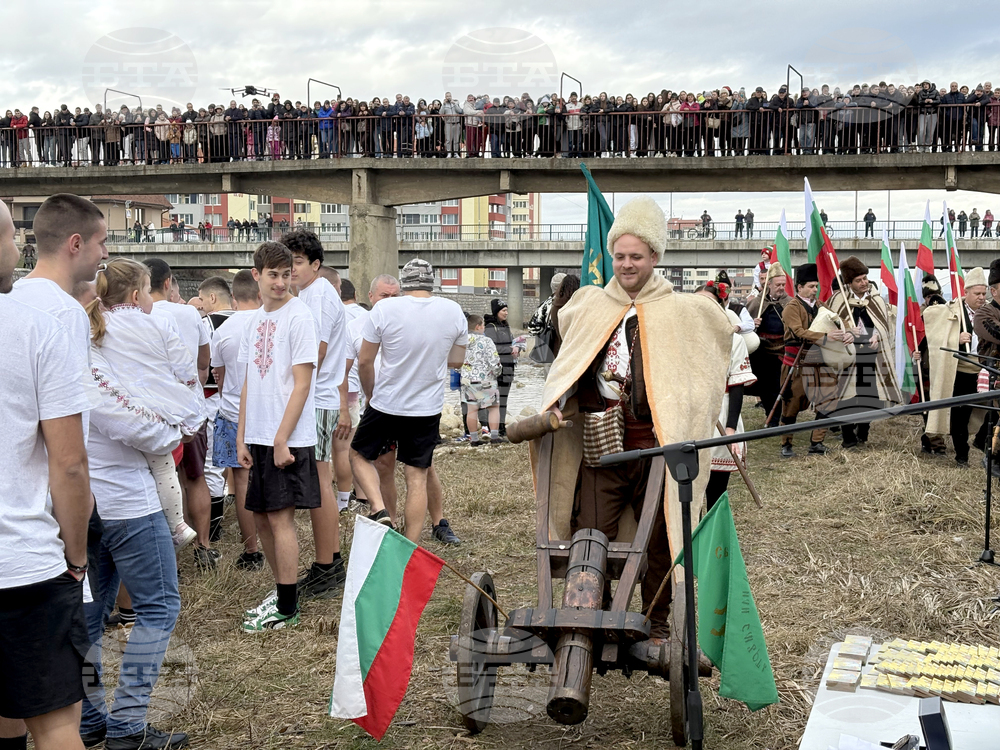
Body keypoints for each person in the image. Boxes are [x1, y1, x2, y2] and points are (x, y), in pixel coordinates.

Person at [538, 195, 731, 638]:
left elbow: (712, 347)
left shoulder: (682, 310)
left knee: (663, 537)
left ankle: (656, 621)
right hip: (601, 447)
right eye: (620, 256)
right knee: (591, 534)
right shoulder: (588, 305)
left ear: (655, 257)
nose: (627, 265)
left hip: (657, 445)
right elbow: (570, 351)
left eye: (636, 257)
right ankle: (592, 615)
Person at [0, 197, 93, 750]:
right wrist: (76, 556)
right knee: (56, 723)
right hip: (23, 558)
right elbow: (69, 463)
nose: (18, 247)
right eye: (12, 235)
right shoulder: (35, 328)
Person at [85, 259, 207, 550]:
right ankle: (176, 524)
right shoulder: (159, 324)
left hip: (127, 414)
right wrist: (191, 413)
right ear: (137, 296)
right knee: (165, 469)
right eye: (148, 292)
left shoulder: (99, 327)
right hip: (163, 409)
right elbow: (186, 368)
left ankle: (171, 527)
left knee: (152, 469)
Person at [349, 259, 467, 543]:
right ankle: (410, 547)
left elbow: (365, 361)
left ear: (405, 284)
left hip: (387, 402)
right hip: (426, 407)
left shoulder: (385, 309)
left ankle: (378, 508)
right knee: (417, 477)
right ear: (431, 282)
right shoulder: (452, 310)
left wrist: (370, 394)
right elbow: (457, 361)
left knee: (358, 455)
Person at [237, 242, 319, 631]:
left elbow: (302, 385)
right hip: (258, 433)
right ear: (257, 275)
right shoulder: (252, 321)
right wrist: (242, 436)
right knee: (262, 517)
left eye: (287, 275)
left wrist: (283, 438)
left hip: (287, 435)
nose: (281, 282)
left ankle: (288, 607)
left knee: (280, 518)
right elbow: (249, 382)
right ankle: (282, 589)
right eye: (273, 275)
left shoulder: (300, 317)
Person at [285, 230, 348, 600]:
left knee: (321, 480)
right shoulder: (306, 294)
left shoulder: (320, 293)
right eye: (287, 260)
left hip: (318, 398)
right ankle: (331, 558)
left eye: (296, 261)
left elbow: (318, 352)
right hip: (316, 396)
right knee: (318, 477)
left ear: (315, 265)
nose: (290, 269)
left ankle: (327, 566)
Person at [145, 258, 216, 566]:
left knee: (161, 478)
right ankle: (203, 544)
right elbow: (204, 360)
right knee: (195, 477)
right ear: (167, 281)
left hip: (153, 411)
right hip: (191, 408)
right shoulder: (189, 312)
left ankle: (165, 551)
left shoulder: (135, 314)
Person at [208, 270, 263, 569]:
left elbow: (219, 376)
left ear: (234, 295)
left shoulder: (223, 330)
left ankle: (251, 550)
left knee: (240, 481)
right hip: (266, 413)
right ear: (259, 293)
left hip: (231, 412)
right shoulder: (269, 325)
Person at [826, 256, 902, 448]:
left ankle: (863, 431)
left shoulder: (876, 300)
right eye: (858, 280)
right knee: (845, 395)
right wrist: (845, 334)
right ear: (849, 283)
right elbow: (829, 326)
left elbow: (885, 326)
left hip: (869, 355)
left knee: (868, 395)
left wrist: (877, 334)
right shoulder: (838, 301)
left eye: (865, 278)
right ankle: (847, 436)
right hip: (847, 357)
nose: (864, 283)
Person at [695, 283, 756, 510]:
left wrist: (730, 428)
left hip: (722, 410)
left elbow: (738, 384)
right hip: (693, 413)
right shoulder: (683, 338)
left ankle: (713, 534)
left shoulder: (734, 340)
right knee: (688, 488)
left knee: (716, 488)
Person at [922, 267, 987, 466]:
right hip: (962, 371)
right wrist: (955, 339)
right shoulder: (951, 310)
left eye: (984, 293)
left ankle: (981, 440)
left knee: (992, 409)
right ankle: (962, 456)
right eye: (977, 294)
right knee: (960, 415)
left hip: (984, 371)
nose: (981, 298)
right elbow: (933, 330)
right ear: (966, 292)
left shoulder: (989, 313)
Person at [779, 263, 842, 457]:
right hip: (798, 364)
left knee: (829, 400)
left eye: (816, 286)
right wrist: (825, 338)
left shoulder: (822, 306)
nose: (815, 290)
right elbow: (798, 331)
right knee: (792, 403)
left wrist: (846, 331)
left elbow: (836, 319)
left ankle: (816, 442)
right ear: (800, 287)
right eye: (811, 286)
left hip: (821, 362)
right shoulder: (792, 307)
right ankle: (786, 444)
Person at [196, 277, 238, 541]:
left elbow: (202, 367)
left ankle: (213, 530)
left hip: (214, 399)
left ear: (212, 298)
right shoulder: (253, 320)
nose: (200, 305)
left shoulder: (206, 324)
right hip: (251, 401)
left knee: (212, 465)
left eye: (201, 300)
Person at [746, 263, 791, 428]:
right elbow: (744, 327)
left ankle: (779, 418)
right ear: (769, 285)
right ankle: (771, 419)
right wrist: (752, 324)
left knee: (781, 387)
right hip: (762, 354)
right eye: (777, 285)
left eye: (783, 285)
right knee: (765, 388)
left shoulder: (791, 303)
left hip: (783, 354)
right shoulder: (756, 304)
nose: (781, 288)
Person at [461, 314, 502, 446]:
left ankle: (474, 439)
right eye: (483, 325)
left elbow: (455, 361)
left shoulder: (461, 341)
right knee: (493, 408)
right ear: (478, 326)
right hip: (486, 380)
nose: (484, 328)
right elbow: (494, 361)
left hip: (468, 380)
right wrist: (498, 372)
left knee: (471, 409)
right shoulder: (487, 341)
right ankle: (494, 437)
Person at [482, 299, 520, 438]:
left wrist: (517, 348)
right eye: (504, 310)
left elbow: (510, 343)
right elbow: (492, 348)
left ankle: (502, 427)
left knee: (504, 399)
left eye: (507, 310)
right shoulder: (491, 327)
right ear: (497, 311)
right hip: (497, 369)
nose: (506, 313)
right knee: (495, 400)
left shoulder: (505, 326)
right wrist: (509, 350)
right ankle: (493, 428)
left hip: (509, 367)